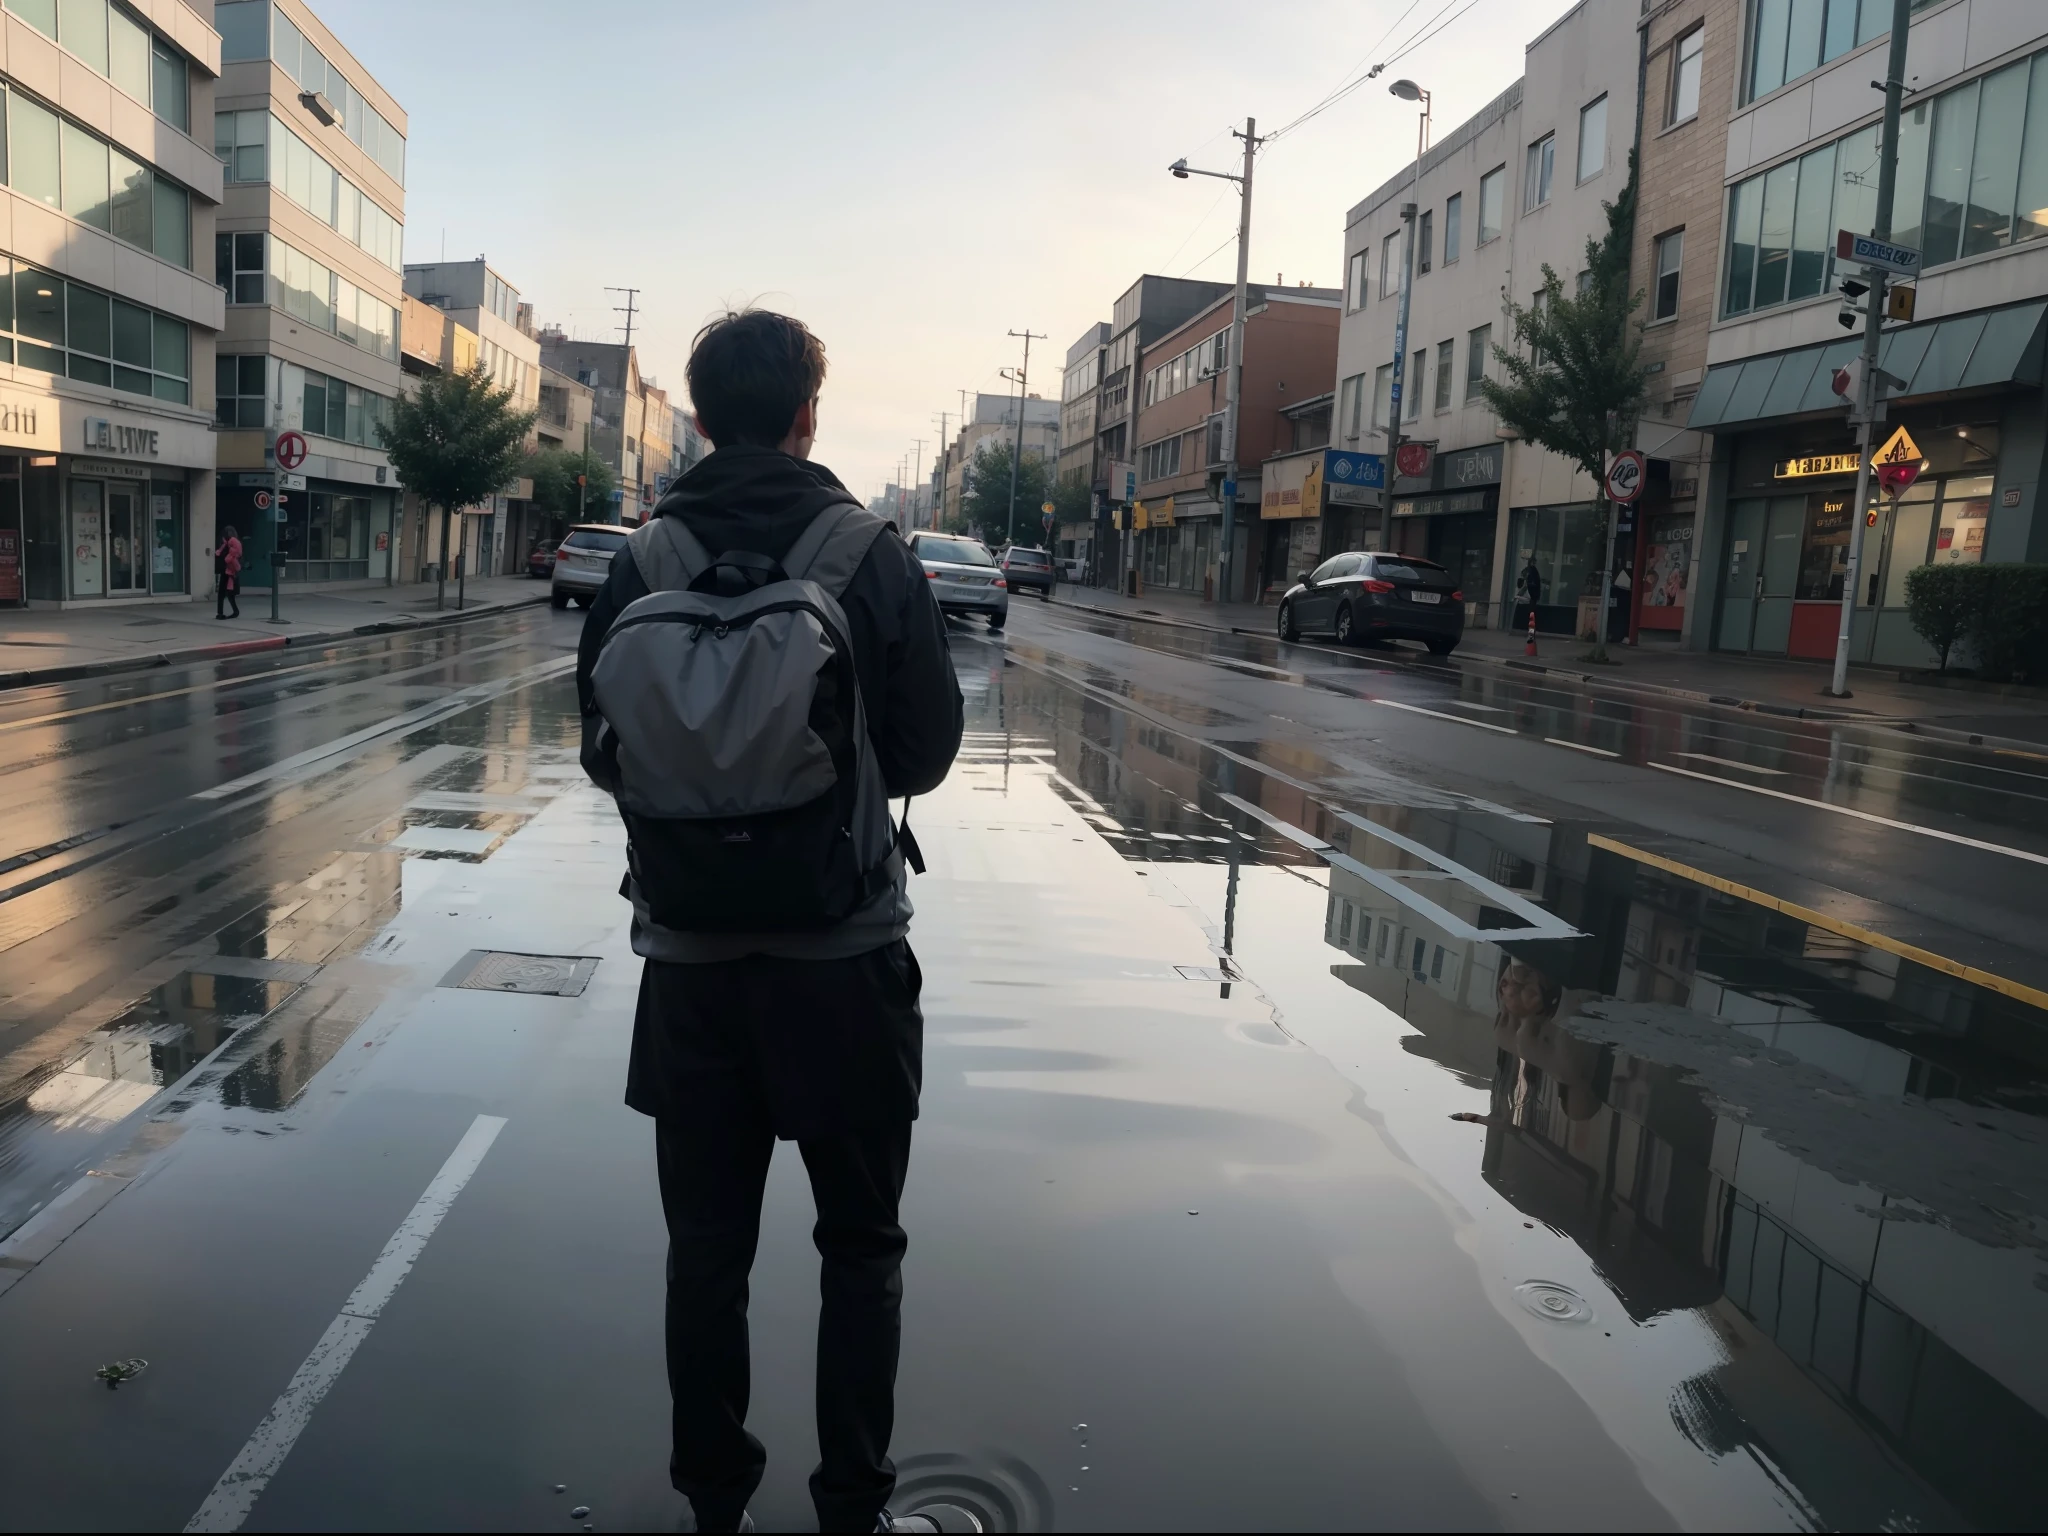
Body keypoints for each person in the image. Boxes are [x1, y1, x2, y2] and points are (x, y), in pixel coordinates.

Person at [576, 309, 966, 1535]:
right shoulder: (868, 553)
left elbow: (602, 752)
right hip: (842, 962)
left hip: (691, 971)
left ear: (696, 419)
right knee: (860, 1247)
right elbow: (925, 750)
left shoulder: (644, 560)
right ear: (809, 413)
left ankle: (713, 1507)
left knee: (707, 1257)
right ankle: (852, 1504)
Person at [213, 525, 242, 619]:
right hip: (232, 571)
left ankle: (220, 613)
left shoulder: (226, 544)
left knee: (222, 593)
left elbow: (222, 557)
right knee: (230, 593)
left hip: (226, 570)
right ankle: (235, 610)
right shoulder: (236, 543)